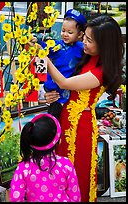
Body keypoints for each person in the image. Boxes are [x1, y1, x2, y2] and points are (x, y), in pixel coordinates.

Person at [45, 15, 124, 202]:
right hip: (64, 118)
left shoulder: (101, 71)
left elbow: (64, 82)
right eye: (84, 37)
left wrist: (45, 60)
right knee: (59, 168)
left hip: (81, 127)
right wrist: (50, 95)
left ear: (104, 46)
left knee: (76, 171)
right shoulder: (84, 54)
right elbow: (63, 81)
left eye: (89, 40)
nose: (84, 42)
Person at [9, 113, 81, 202]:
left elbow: (15, 198)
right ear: (58, 141)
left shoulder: (23, 167)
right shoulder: (66, 164)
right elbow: (75, 197)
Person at [31, 9, 87, 119]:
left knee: (64, 115)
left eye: (70, 32)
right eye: (63, 31)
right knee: (54, 114)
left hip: (67, 88)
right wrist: (35, 40)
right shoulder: (56, 45)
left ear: (80, 34)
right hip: (52, 87)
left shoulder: (82, 48)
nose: (65, 34)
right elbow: (44, 46)